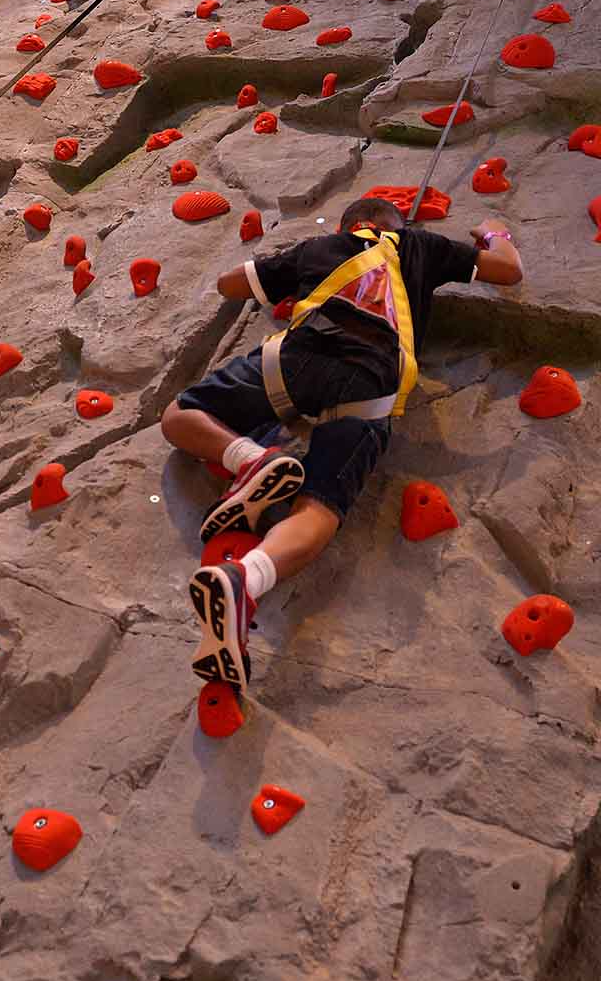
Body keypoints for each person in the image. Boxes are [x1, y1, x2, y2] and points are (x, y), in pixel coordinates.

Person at [160, 199, 523, 692]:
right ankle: (246, 579)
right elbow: (508, 271)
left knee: (180, 416)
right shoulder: (422, 247)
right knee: (318, 510)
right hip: (370, 384)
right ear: (398, 227)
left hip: (295, 360)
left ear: (347, 225)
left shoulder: (318, 247)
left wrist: (285, 269)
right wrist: (493, 231)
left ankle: (251, 459)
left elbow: (229, 285)